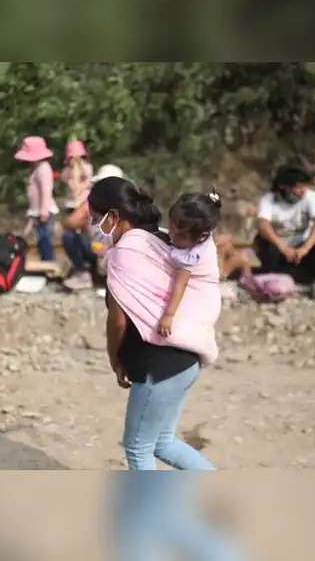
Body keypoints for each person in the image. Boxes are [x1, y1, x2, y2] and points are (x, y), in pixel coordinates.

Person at [89, 176, 217, 471]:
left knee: (138, 447)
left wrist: (114, 358)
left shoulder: (126, 251)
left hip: (159, 365)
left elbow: (117, 321)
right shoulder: (160, 238)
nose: (96, 227)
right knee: (163, 442)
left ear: (114, 216)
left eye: (98, 219)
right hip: (186, 361)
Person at [253, 163, 315, 300]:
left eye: (305, 186)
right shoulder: (268, 200)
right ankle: (275, 280)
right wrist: (283, 248)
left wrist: (305, 248)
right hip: (279, 248)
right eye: (298, 187)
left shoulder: (310, 197)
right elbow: (263, 225)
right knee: (262, 240)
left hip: (303, 247)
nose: (303, 190)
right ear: (284, 187)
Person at [157, 188, 223, 337]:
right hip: (209, 296)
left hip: (202, 301)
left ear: (200, 236)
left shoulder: (191, 255)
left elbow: (181, 284)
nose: (172, 235)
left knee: (181, 332)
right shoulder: (200, 231)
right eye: (171, 228)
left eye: (179, 235)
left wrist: (168, 315)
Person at [61, 164, 126, 290]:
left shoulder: (125, 205)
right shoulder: (91, 203)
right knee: (69, 237)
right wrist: (85, 223)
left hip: (116, 250)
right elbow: (69, 222)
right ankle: (82, 274)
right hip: (95, 246)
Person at [16, 136, 57, 261]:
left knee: (44, 239)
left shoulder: (43, 168)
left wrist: (43, 211)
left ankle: (49, 262)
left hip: (44, 210)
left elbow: (46, 191)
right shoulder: (37, 169)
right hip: (37, 210)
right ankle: (46, 260)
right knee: (40, 239)